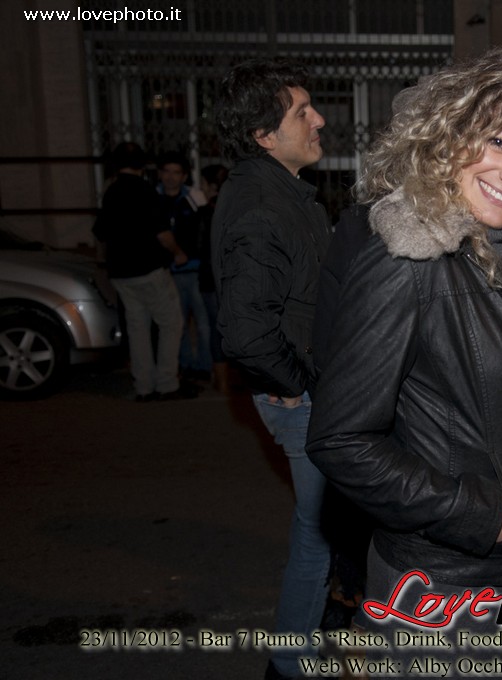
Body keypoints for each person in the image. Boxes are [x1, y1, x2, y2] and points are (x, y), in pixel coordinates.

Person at [305, 47, 502, 677]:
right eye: (499, 141)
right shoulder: (407, 259)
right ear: (452, 131)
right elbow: (340, 439)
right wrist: (479, 514)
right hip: (450, 586)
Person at [211, 58, 332, 680]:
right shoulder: (263, 207)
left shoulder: (282, 191)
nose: (319, 120)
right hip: (304, 401)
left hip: (306, 394)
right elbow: (245, 332)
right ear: (263, 135)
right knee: (319, 534)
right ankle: (290, 662)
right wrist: (297, 385)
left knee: (327, 530)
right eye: (301, 112)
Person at [92, 142, 191, 402]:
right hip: (148, 269)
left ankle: (143, 386)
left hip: (121, 272)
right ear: (143, 165)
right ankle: (167, 383)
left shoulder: (111, 191)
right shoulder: (145, 190)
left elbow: (100, 232)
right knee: (171, 323)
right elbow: (162, 233)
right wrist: (178, 252)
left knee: (137, 327)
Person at [157, 151, 212, 382]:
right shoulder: (154, 198)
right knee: (176, 325)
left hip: (195, 270)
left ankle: (204, 367)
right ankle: (186, 365)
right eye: (166, 172)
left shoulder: (194, 197)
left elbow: (206, 229)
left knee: (203, 323)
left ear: (184, 176)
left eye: (176, 172)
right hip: (168, 272)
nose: (170, 177)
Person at [197, 163, 230, 393]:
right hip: (234, 279)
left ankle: (222, 382)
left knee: (216, 330)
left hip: (210, 280)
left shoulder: (205, 213)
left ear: (210, 186)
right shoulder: (238, 208)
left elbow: (198, 246)